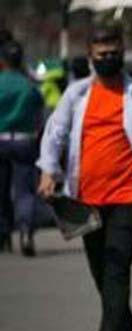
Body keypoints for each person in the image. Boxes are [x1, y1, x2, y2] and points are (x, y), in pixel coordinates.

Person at [36, 24, 132, 331]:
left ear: (123, 52)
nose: (109, 59)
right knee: (100, 270)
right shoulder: (77, 94)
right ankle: (126, 327)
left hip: (129, 193)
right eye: (102, 55)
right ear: (90, 57)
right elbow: (55, 133)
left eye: (115, 53)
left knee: (116, 265)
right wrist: (48, 170)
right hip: (85, 198)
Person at [0, 40, 44, 255]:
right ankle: (26, 231)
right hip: (24, 141)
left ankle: (3, 234)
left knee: (1, 190)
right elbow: (39, 112)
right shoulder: (29, 85)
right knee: (25, 191)